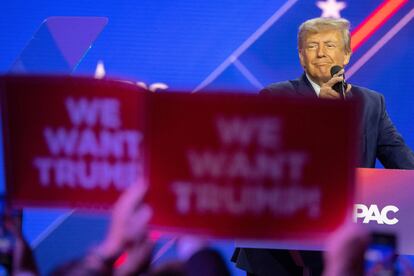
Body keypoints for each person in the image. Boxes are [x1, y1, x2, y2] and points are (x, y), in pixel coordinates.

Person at [233, 17, 414, 276]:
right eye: (311, 46)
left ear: (347, 54)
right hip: (281, 252)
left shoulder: (372, 102)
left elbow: (400, 157)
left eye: (329, 45)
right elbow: (270, 159)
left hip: (340, 243)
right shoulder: (275, 96)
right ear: (301, 56)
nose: (320, 53)